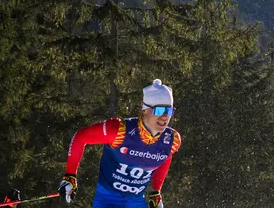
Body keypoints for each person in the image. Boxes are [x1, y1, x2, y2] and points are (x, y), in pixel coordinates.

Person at [58, 79, 182, 208]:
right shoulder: (118, 131)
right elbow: (81, 137)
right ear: (144, 110)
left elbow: (165, 156)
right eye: (159, 110)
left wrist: (156, 191)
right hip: (107, 199)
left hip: (136, 201)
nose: (164, 117)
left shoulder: (172, 139)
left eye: (169, 111)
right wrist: (70, 175)